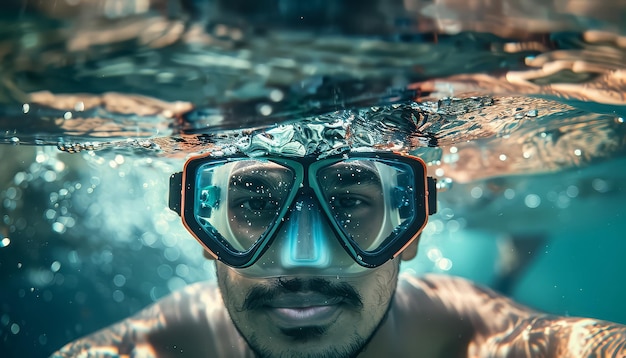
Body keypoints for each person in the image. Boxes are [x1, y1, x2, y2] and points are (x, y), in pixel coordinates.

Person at [52, 121, 626, 358]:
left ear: (410, 232)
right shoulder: (163, 341)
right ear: (204, 233)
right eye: (253, 205)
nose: (303, 260)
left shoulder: (471, 328)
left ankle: (509, 265)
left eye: (350, 204)